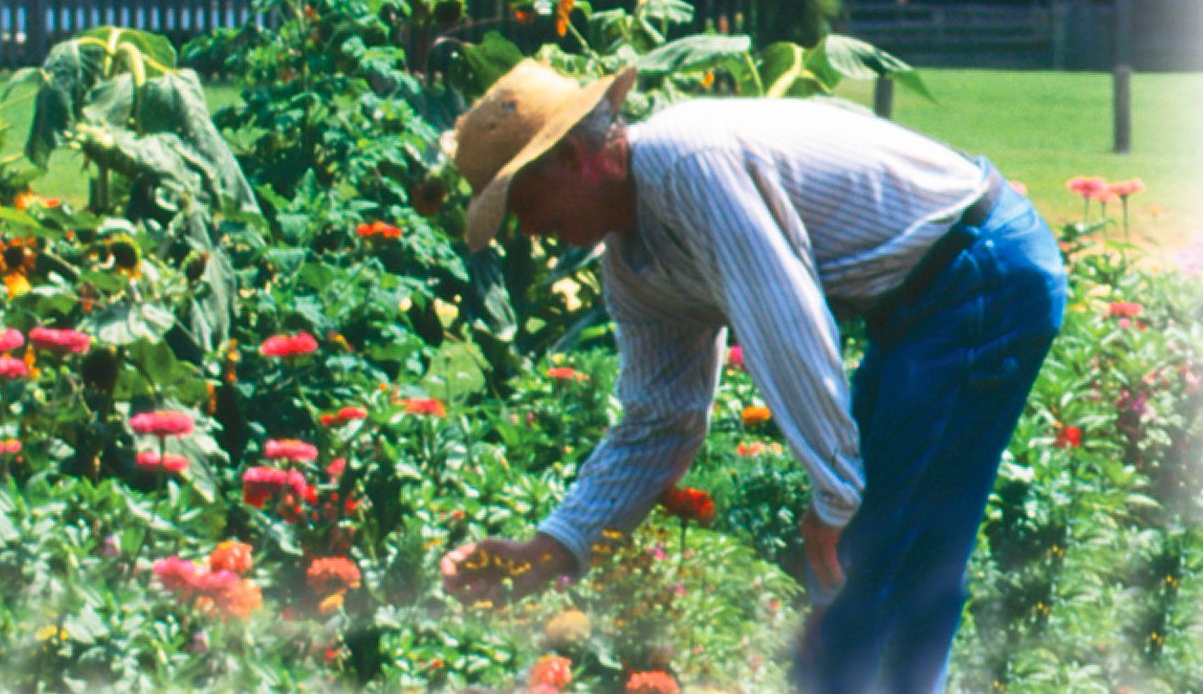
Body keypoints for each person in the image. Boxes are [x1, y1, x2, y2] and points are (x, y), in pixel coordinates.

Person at [436, 60, 1067, 694]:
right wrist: (551, 549)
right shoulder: (634, 268)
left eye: (524, 203)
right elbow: (661, 419)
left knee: (881, 561)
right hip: (925, 300)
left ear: (575, 156)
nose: (531, 230)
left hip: (981, 269)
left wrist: (836, 493)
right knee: (878, 559)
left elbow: (784, 321)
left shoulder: (688, 163)